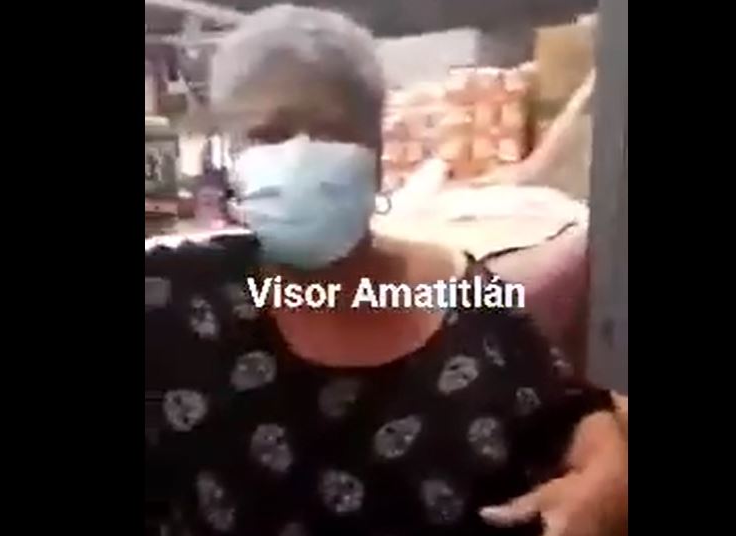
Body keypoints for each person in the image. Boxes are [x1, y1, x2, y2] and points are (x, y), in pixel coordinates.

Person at [145, 5, 627, 536]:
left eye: (332, 131)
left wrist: (609, 476)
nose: (300, 156)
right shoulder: (175, 299)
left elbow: (573, 411)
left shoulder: (460, 295)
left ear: (377, 157)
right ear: (233, 164)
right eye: (269, 135)